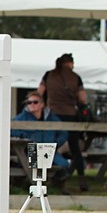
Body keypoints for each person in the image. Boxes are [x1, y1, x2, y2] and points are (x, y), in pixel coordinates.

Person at [38, 53, 89, 191]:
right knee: (75, 148)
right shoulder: (75, 77)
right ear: (69, 63)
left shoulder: (48, 75)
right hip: (70, 115)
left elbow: (39, 92)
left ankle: (44, 177)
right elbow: (83, 98)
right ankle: (81, 180)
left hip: (52, 114)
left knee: (49, 144)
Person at [13, 93, 70, 185]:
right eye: (29, 102)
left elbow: (63, 132)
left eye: (35, 102)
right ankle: (36, 185)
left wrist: (56, 143)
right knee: (35, 167)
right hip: (31, 149)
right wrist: (23, 135)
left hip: (49, 149)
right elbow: (10, 130)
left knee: (64, 165)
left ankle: (56, 185)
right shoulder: (21, 118)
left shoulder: (52, 118)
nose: (32, 104)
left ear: (42, 104)